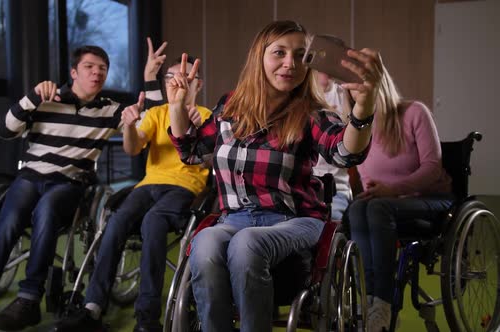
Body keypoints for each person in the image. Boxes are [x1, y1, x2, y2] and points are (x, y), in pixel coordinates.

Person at [166, 20, 383, 332]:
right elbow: (192, 152)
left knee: (246, 244)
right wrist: (177, 107)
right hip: (234, 218)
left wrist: (363, 107)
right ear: (259, 58)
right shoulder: (230, 107)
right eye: (279, 53)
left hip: (295, 220)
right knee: (205, 240)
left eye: (299, 55)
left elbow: (345, 153)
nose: (289, 63)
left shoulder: (312, 114)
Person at [0, 45, 151, 332]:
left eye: (103, 68)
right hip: (30, 177)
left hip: (71, 183)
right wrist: (31, 97)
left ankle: (29, 300)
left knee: (46, 211)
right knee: (7, 223)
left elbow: (151, 127)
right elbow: (4, 131)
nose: (97, 72)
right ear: (74, 72)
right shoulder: (45, 99)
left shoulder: (110, 110)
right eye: (89, 66)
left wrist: (150, 84)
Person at [54, 38, 212, 332]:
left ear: (197, 84)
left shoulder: (205, 116)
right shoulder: (155, 113)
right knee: (115, 222)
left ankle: (147, 317)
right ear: (165, 83)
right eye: (171, 76)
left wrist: (191, 129)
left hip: (185, 187)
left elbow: (206, 162)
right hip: (149, 184)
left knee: (153, 222)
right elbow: (132, 148)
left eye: (184, 77)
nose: (177, 81)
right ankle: (92, 307)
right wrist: (128, 124)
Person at [346, 65, 453, 332]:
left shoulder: (415, 112)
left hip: (432, 199)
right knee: (358, 208)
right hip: (387, 205)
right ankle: (367, 300)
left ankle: (383, 303)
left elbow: (432, 168)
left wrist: (391, 190)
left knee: (378, 207)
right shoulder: (360, 128)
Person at [313, 67, 355, 220]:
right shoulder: (298, 95)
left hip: (336, 189)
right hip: (301, 187)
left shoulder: (344, 93)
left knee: (329, 223)